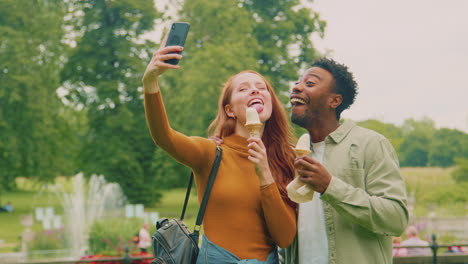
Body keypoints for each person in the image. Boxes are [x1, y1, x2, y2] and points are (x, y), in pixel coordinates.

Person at [142, 31, 297, 263]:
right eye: (243, 89)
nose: (255, 90)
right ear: (230, 110)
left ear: (271, 102)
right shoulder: (211, 153)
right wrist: (150, 81)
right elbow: (164, 137)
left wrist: (265, 174)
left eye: (261, 87)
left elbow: (285, 238)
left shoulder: (286, 158)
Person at [283, 58, 408, 264]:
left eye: (310, 83)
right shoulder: (294, 155)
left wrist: (329, 187)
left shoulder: (370, 144)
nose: (296, 87)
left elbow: (396, 219)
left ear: (335, 101)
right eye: (298, 82)